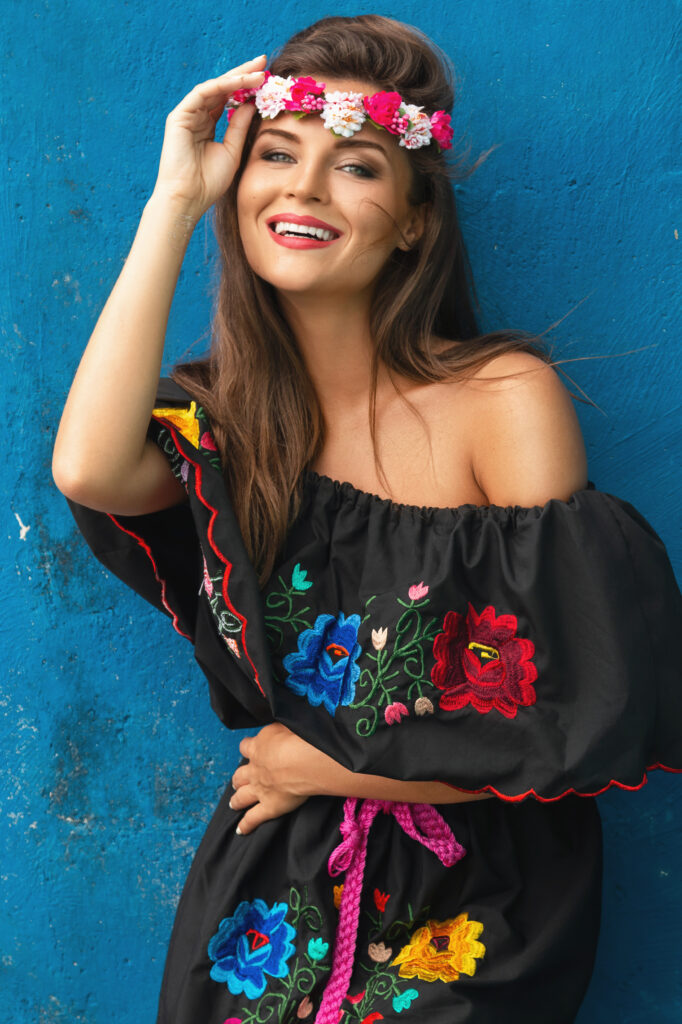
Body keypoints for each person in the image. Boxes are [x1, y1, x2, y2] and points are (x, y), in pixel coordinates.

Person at [52, 14, 681, 1024]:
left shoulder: (503, 397)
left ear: (413, 219)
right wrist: (174, 204)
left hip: (476, 904)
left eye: (355, 167)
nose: (301, 189)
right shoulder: (225, 428)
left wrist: (334, 764)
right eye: (275, 156)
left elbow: (576, 718)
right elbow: (86, 465)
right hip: (273, 887)